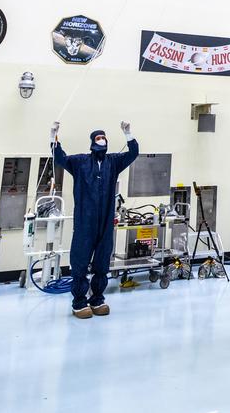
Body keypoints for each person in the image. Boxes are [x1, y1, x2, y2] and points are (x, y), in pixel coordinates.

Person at [51, 120, 138, 318]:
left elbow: (133, 154)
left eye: (104, 137)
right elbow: (60, 158)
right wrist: (54, 137)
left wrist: (128, 134)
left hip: (105, 222)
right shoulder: (80, 162)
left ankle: (97, 299)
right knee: (80, 260)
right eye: (98, 138)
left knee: (102, 261)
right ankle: (79, 302)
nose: (102, 140)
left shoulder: (113, 162)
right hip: (85, 222)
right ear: (92, 141)